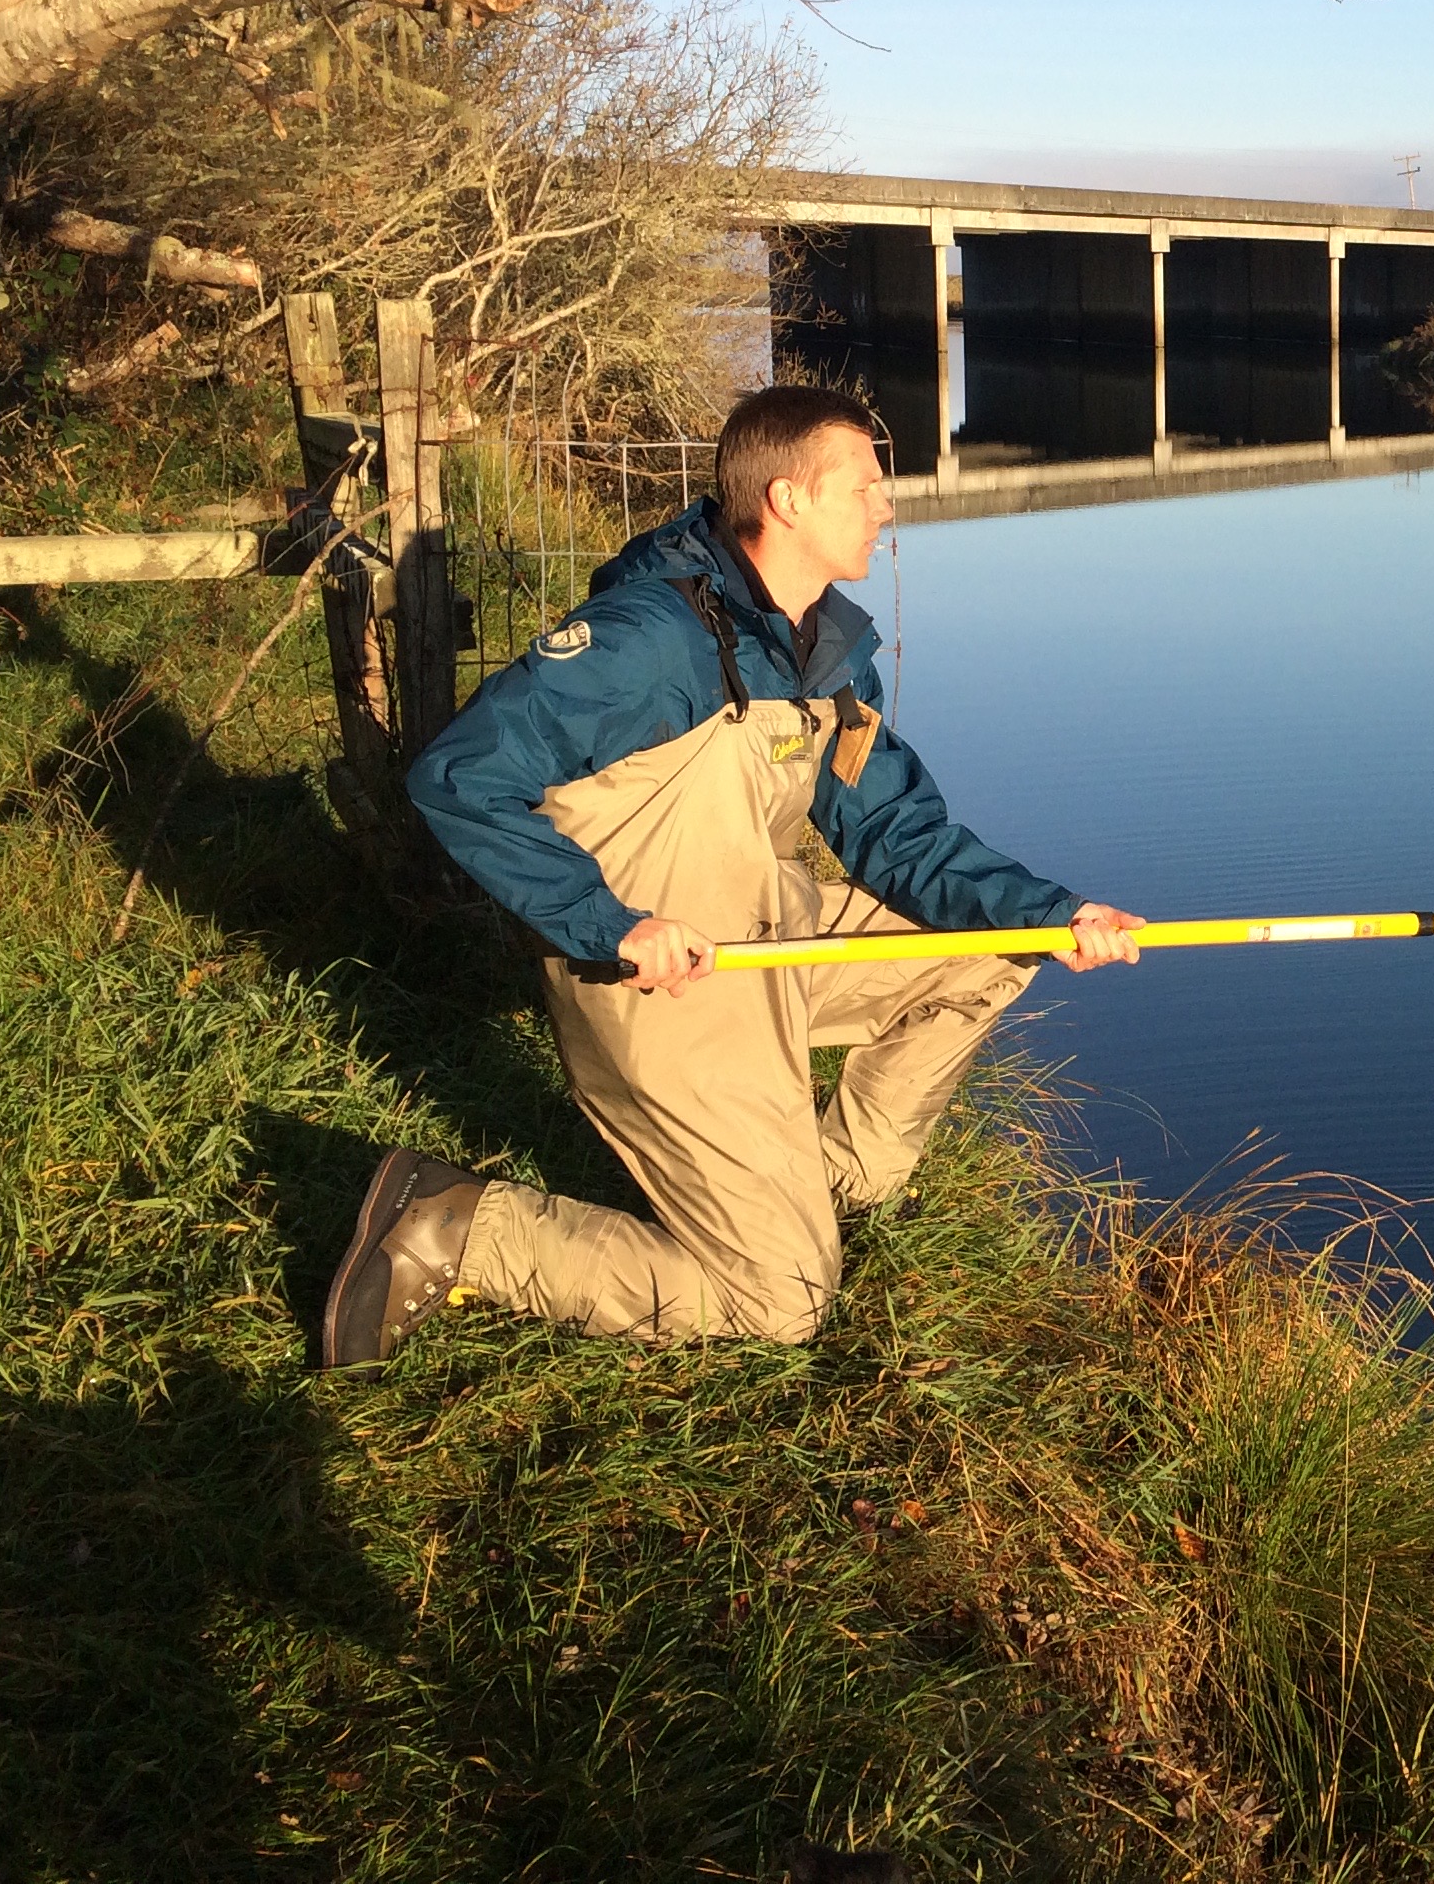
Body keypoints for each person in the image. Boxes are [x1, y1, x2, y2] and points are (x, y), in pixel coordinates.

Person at [321, 384, 1143, 1367]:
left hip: (771, 937)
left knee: (990, 955)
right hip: (666, 987)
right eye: (865, 487)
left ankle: (824, 1185)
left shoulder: (825, 653)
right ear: (788, 500)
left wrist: (1058, 913)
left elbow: (896, 834)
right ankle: (454, 1226)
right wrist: (606, 922)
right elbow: (460, 775)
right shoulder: (648, 643)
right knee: (780, 1303)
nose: (887, 508)